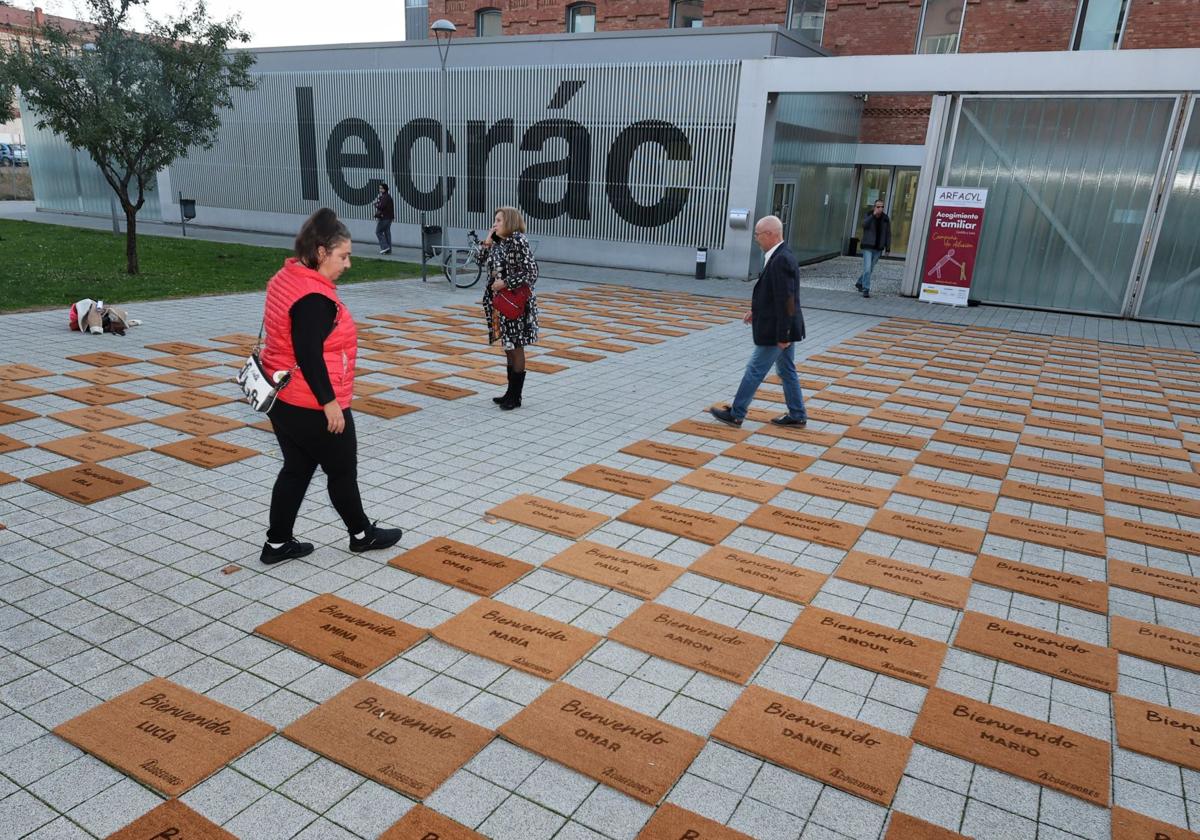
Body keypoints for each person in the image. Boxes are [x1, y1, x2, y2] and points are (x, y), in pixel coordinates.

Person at [258, 208, 403, 564]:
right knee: (341, 471)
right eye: (344, 256)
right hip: (310, 401)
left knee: (296, 468)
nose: (348, 264)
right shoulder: (314, 299)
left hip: (282, 397)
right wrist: (330, 403)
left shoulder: (288, 276)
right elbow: (309, 355)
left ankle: (277, 544)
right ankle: (362, 534)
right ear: (321, 253)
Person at [710, 215, 807, 428]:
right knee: (786, 370)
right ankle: (798, 414)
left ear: (771, 234)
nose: (756, 239)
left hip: (777, 330)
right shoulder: (778, 254)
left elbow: (787, 300)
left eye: (758, 234)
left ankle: (736, 413)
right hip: (781, 326)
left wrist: (783, 335)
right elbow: (774, 294)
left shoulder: (781, 259)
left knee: (754, 369)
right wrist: (756, 310)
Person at [478, 205, 539, 410]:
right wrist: (487, 243)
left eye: (498, 220)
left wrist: (505, 283)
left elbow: (532, 272)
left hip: (515, 302)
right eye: (494, 220)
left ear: (510, 222)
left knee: (516, 345)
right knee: (508, 346)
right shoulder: (498, 241)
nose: (494, 224)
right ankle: (509, 393)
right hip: (500, 303)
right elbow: (480, 262)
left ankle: (516, 396)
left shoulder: (518, 240)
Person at [856, 198, 890, 298]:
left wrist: (888, 248)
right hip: (868, 247)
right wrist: (873, 215)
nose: (880, 208)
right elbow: (864, 225)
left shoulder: (885, 218)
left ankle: (859, 282)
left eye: (882, 207)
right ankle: (866, 289)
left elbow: (888, 234)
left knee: (870, 269)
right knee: (867, 269)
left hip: (878, 248)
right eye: (878, 206)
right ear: (874, 207)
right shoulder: (869, 215)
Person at [373, 183, 394, 255]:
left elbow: (381, 206)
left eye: (381, 188)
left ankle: (385, 247)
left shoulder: (385, 197)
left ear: (385, 189)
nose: (380, 190)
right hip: (389, 218)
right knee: (387, 233)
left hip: (384, 218)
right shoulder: (387, 196)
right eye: (379, 188)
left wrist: (376, 205)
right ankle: (388, 250)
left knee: (378, 232)